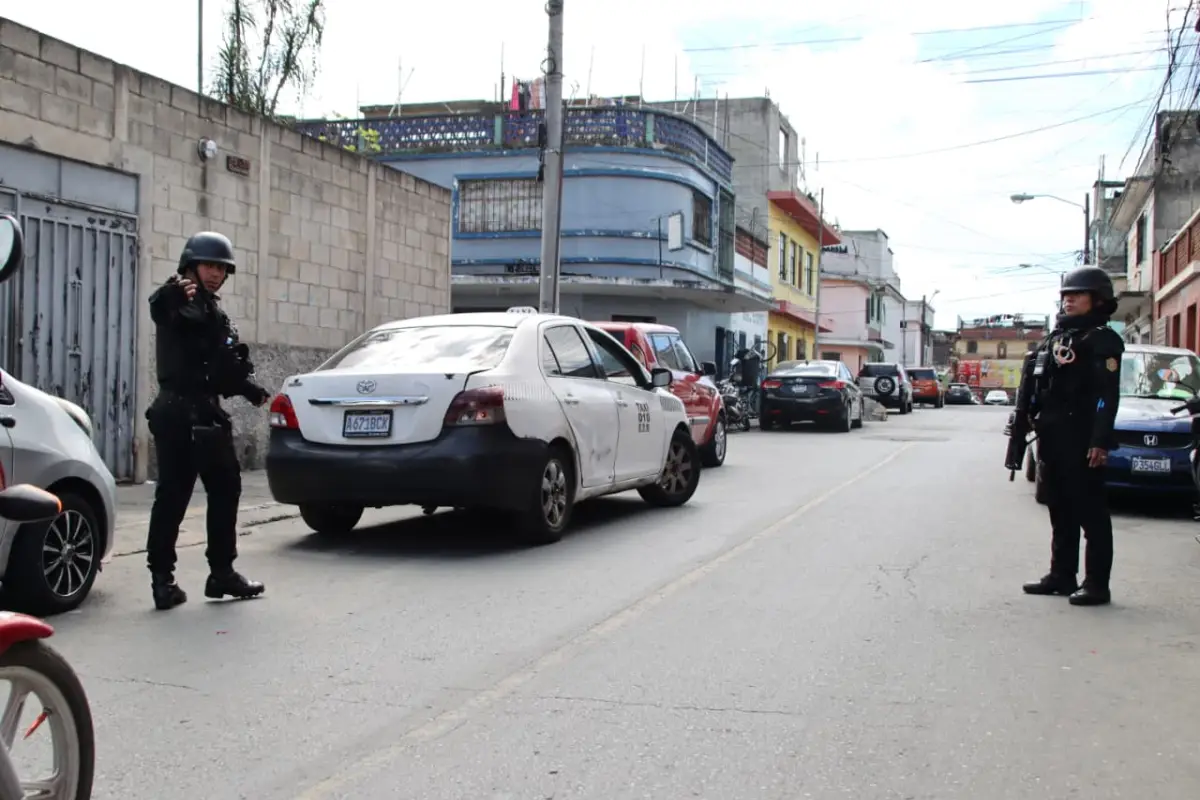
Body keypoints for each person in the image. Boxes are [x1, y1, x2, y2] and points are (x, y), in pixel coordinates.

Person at [144, 231, 270, 611]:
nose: (215, 273)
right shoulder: (179, 297)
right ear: (190, 266)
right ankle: (164, 579)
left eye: (221, 268)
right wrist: (169, 293)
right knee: (174, 495)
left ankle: (219, 573)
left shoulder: (212, 309)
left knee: (225, 488)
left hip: (205, 411)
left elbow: (220, 368)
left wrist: (252, 390)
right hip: (180, 412)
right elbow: (160, 307)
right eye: (208, 265)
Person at [1018, 266, 1124, 606]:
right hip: (1052, 437)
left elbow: (1108, 396)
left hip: (1082, 440)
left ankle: (1096, 584)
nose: (1069, 300)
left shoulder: (1102, 341)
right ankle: (1062, 575)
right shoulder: (1058, 338)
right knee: (1059, 509)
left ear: (1097, 300)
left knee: (1091, 513)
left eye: (1077, 295)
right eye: (1066, 295)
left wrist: (1099, 441)